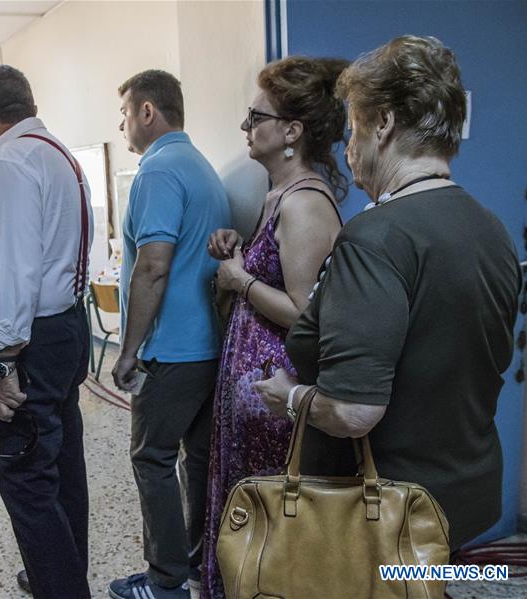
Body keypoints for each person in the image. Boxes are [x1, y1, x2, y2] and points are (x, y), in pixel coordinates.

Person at [255, 35, 521, 552]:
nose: (348, 146)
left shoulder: (376, 239)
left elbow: (354, 411)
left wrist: (287, 396)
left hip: (385, 513)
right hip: (464, 495)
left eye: (353, 126)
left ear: (383, 125)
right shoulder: (490, 227)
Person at [200, 56, 348, 598]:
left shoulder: (306, 202)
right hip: (255, 401)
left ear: (291, 131)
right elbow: (276, 274)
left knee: (267, 538)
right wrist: (239, 254)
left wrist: (239, 281)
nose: (246, 128)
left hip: (275, 404)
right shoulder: (277, 196)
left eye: (254, 117)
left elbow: (307, 315)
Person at [0, 64, 93, 599]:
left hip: (30, 341)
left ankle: (60, 587)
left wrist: (2, 363)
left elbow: (17, 269)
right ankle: (60, 571)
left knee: (27, 479)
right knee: (62, 465)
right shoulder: (55, 153)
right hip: (63, 328)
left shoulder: (11, 160)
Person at [109, 70, 230, 599]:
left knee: (151, 458)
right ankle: (196, 565)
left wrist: (128, 349)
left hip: (172, 350)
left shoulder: (157, 172)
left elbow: (153, 267)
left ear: (148, 112)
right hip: (209, 345)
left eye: (124, 114)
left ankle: (164, 582)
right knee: (196, 458)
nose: (122, 125)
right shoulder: (201, 167)